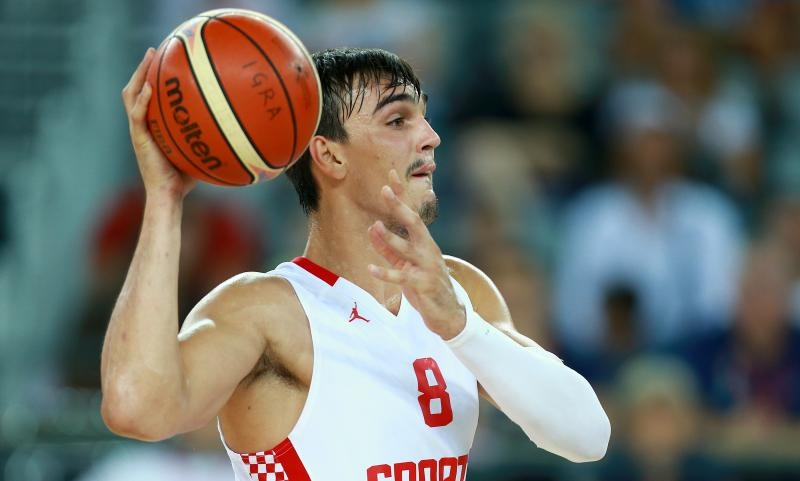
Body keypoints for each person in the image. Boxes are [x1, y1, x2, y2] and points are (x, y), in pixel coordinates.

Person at [100, 46, 610, 480]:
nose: (431, 136)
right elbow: (135, 407)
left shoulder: (460, 292)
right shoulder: (265, 311)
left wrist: (460, 327)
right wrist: (165, 200)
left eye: (425, 116)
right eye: (397, 120)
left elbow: (587, 436)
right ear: (330, 155)